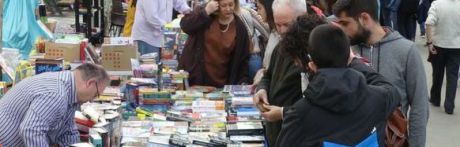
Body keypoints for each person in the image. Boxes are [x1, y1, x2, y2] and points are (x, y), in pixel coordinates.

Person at [276, 24, 400, 147]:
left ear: (312, 66)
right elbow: (390, 89)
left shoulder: (300, 115)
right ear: (348, 58)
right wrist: (355, 62)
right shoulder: (377, 98)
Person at [333, 0, 429, 146]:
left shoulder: (406, 51)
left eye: (345, 23)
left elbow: (419, 107)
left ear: (364, 18)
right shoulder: (345, 50)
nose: (342, 30)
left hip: (392, 141)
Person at [0, 63, 110, 146]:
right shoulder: (56, 94)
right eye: (96, 94)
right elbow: (31, 131)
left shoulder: (69, 91)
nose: (92, 100)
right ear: (90, 83)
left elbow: (68, 132)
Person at [250, 0, 309, 143]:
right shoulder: (281, 46)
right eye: (278, 25)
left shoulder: (314, 51)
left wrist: (283, 113)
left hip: (298, 135)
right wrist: (262, 89)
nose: (282, 30)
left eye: (287, 25)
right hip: (276, 132)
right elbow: (268, 75)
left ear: (302, 17)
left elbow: (313, 105)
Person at [179, 0, 250, 88]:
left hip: (222, 81)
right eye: (224, 5)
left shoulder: (239, 27)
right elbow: (185, 26)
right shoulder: (205, 13)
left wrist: (242, 82)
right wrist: (206, 12)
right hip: (197, 80)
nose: (228, 9)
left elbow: (243, 59)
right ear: (216, 5)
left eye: (231, 5)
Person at [425, 0, 460, 115]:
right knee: (453, 76)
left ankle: (435, 98)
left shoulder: (437, 4)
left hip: (439, 44)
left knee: (437, 73)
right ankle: (449, 106)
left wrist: (429, 42)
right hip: (456, 46)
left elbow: (429, 23)